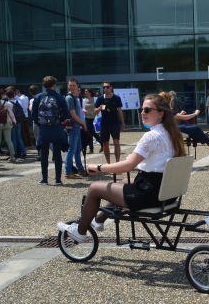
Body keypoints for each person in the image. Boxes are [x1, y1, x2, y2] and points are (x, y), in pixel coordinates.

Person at [57, 94, 186, 242]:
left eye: (147, 110)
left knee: (94, 189)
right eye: (142, 109)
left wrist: (99, 167)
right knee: (125, 181)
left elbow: (128, 165)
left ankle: (79, 232)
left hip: (149, 196)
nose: (142, 113)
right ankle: (99, 221)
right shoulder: (172, 134)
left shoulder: (152, 136)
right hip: (166, 195)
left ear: (161, 113)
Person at [32, 76, 68, 185]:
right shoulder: (59, 97)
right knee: (57, 154)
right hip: (56, 128)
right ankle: (58, 180)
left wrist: (41, 124)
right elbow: (66, 115)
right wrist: (59, 124)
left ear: (43, 85)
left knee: (44, 155)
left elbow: (33, 115)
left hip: (43, 129)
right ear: (54, 85)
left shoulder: (38, 97)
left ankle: (44, 179)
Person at [95, 81, 124, 163]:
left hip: (114, 123)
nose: (105, 88)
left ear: (111, 87)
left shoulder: (116, 98)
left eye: (107, 87)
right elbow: (95, 111)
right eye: (104, 87)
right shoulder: (100, 98)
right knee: (105, 144)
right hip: (104, 123)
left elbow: (120, 111)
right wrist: (99, 108)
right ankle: (108, 163)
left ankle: (117, 162)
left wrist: (122, 123)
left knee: (116, 143)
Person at [64, 78, 87, 179]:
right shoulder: (69, 98)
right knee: (72, 150)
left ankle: (80, 169)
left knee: (77, 150)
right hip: (73, 126)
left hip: (76, 126)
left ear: (78, 86)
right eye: (70, 85)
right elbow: (73, 114)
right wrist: (83, 124)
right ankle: (68, 171)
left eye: (73, 85)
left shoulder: (75, 97)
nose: (72, 87)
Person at [0, 89, 16, 163]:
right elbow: (11, 113)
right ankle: (12, 156)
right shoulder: (8, 103)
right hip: (7, 123)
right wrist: (14, 121)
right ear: (2, 95)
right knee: (8, 140)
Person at [8, 87, 27, 160]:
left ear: (7, 96)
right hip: (19, 121)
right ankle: (23, 152)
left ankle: (15, 153)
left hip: (12, 121)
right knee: (19, 137)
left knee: (13, 138)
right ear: (14, 95)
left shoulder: (8, 103)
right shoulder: (19, 101)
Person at [83, 88, 100, 154]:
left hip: (94, 117)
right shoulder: (84, 100)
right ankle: (92, 148)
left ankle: (93, 148)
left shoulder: (95, 99)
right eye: (85, 91)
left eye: (86, 91)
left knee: (91, 133)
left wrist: (99, 110)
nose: (85, 92)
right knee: (90, 133)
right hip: (87, 118)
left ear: (90, 92)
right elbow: (82, 108)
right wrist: (83, 110)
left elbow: (102, 106)